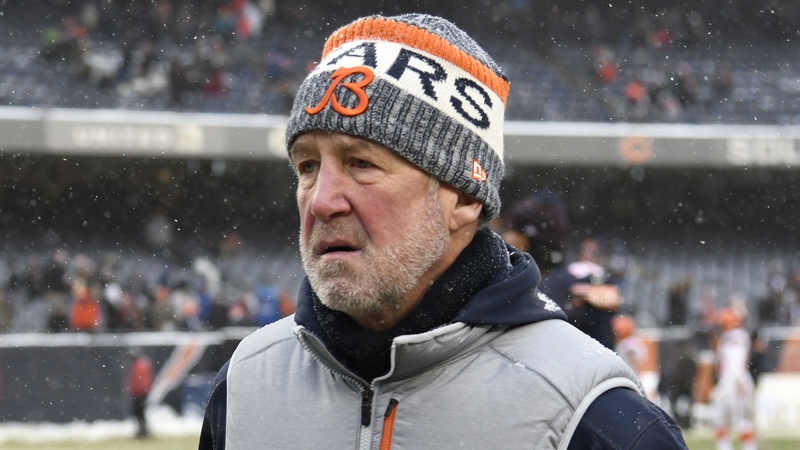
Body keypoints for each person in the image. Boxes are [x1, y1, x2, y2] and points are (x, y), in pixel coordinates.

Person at [199, 14, 687, 450]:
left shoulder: (592, 417)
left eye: (361, 163)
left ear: (465, 196)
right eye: (307, 166)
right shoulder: (244, 389)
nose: (322, 200)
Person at [710, 307, 758, 450]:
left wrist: (734, 382)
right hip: (734, 380)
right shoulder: (739, 335)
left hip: (733, 382)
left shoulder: (733, 336)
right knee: (730, 420)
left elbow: (735, 362)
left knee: (736, 420)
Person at [128, 348, 154, 438]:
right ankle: (143, 430)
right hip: (141, 393)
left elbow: (141, 381)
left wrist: (140, 392)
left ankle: (143, 431)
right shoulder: (142, 364)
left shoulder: (140, 365)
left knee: (139, 413)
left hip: (140, 393)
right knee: (140, 413)